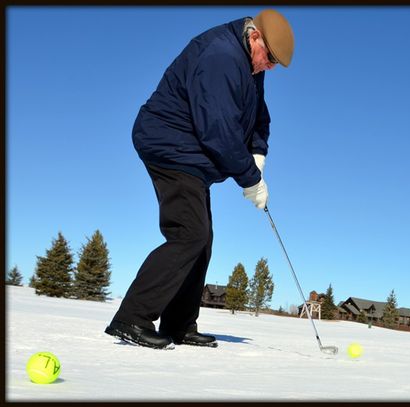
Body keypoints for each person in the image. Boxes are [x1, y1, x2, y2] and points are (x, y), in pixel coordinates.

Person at [105, 9, 295, 349]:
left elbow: (258, 117)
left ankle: (179, 324)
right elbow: (217, 131)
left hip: (192, 154)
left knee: (201, 240)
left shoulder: (251, 64)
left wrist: (258, 155)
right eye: (270, 58)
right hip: (170, 144)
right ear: (255, 37)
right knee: (189, 234)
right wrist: (250, 179)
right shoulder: (221, 56)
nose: (270, 67)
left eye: (275, 65)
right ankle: (131, 318)